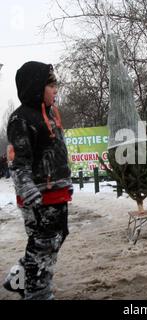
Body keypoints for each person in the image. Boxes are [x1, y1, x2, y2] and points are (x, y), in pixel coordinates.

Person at [3, 61, 73, 300]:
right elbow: (18, 162)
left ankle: (18, 278)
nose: (56, 90)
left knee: (58, 236)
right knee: (43, 244)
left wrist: (66, 179)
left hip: (57, 190)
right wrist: (27, 190)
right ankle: (37, 292)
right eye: (51, 85)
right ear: (36, 86)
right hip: (38, 195)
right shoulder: (20, 119)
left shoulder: (52, 114)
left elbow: (56, 151)